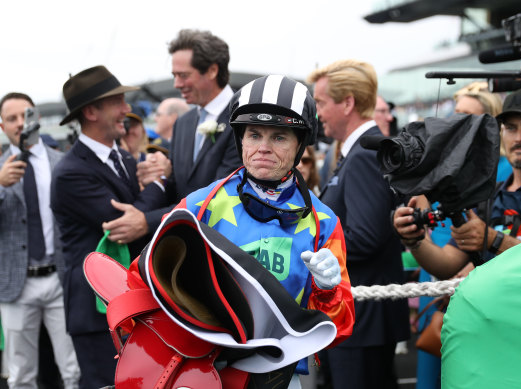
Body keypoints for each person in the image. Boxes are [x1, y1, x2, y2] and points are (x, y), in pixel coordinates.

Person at [175, 75, 355, 388]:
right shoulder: (198, 206)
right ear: (240, 140)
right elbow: (147, 279)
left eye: (279, 137)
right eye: (254, 134)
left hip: (279, 377)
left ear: (300, 145)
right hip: (202, 372)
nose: (263, 148)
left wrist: (327, 291)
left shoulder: (324, 224)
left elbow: (338, 328)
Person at [50, 66, 168, 389]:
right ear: (91, 111)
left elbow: (145, 213)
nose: (127, 111)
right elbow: (126, 224)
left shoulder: (126, 161)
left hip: (131, 305)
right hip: (96, 313)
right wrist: (159, 181)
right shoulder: (70, 173)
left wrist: (156, 182)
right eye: (118, 102)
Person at [393, 88, 521, 281]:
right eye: (510, 128)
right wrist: (415, 240)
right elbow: (446, 265)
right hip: (494, 310)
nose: (518, 138)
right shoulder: (486, 194)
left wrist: (495, 240)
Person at [307, 59, 410, 389]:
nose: (318, 112)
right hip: (359, 318)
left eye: (321, 102)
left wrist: (306, 253)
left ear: (347, 102)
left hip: (363, 320)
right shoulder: (358, 153)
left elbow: (365, 238)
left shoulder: (365, 154)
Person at [103, 29, 242, 243]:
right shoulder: (184, 124)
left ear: (213, 70)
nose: (176, 84)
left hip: (225, 245)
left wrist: (145, 221)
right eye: (174, 76)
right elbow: (178, 188)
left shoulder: (243, 121)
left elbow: (218, 199)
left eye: (183, 75)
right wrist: (158, 175)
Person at [0, 92, 80, 388]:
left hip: (60, 278)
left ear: (37, 117)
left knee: (74, 369)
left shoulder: (63, 162)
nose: (21, 123)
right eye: (12, 118)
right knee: (21, 375)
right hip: (15, 284)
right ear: (2, 126)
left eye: (26, 115)